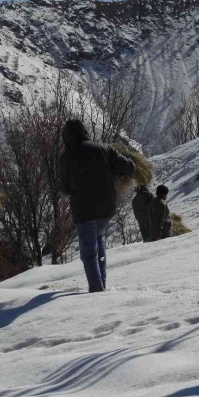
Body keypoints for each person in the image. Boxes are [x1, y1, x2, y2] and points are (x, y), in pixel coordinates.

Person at [59, 119, 135, 293]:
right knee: (99, 239)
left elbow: (64, 188)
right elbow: (128, 167)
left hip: (83, 210)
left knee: (88, 252)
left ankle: (96, 290)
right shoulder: (105, 148)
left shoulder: (66, 157)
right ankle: (102, 284)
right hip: (106, 207)